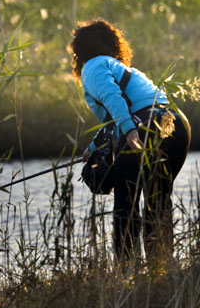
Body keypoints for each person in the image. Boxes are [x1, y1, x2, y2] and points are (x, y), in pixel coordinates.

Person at [70, 18, 190, 261]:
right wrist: (93, 147)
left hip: (143, 127)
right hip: (176, 126)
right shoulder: (121, 68)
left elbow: (115, 101)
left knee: (126, 204)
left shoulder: (92, 66)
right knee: (158, 202)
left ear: (80, 50)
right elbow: (122, 112)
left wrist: (130, 131)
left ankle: (126, 274)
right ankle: (162, 268)